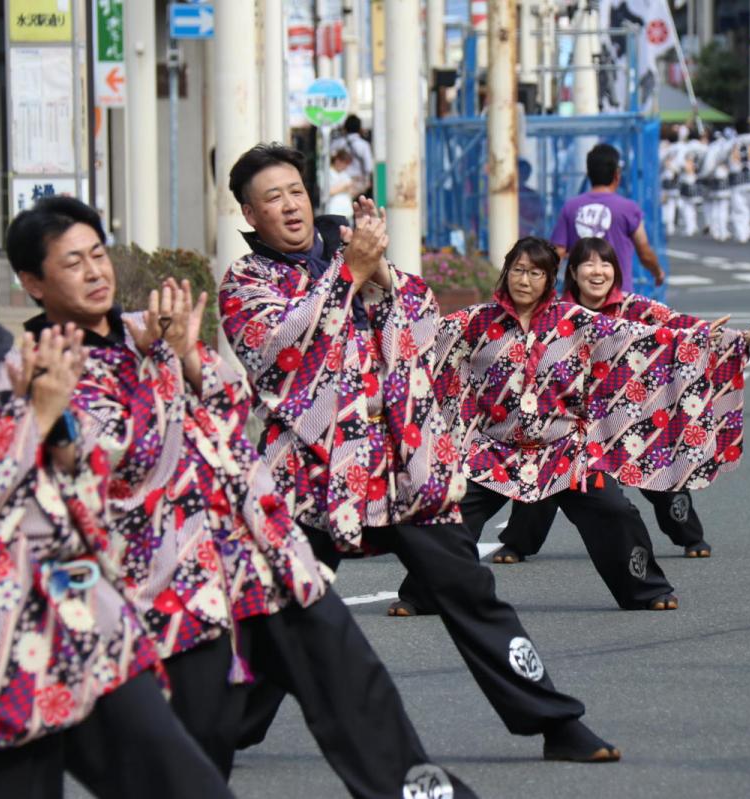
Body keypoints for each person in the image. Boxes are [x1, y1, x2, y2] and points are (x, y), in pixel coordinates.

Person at [6, 196, 476, 798]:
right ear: (33, 282)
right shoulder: (39, 369)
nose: (95, 272)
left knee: (358, 691)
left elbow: (232, 406)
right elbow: (110, 461)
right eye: (73, 263)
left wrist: (186, 354)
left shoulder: (146, 328)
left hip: (261, 553)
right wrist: (145, 376)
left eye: (97, 254)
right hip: (172, 584)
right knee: (198, 743)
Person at [220, 143, 622, 764]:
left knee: (472, 594)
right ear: (250, 215)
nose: (291, 205)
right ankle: (217, 733)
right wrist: (348, 276)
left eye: (296, 190)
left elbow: (424, 323)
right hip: (310, 477)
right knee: (281, 607)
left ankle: (555, 722)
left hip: (403, 467)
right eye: (273, 198)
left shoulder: (346, 250)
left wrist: (378, 272)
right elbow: (278, 352)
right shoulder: (246, 281)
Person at [0, 199, 234, 799]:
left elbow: (84, 487)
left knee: (184, 783)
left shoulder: (14, 363)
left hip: (83, 620)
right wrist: (35, 421)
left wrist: (60, 435)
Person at [398, 235, 750, 610]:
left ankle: (648, 590)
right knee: (448, 512)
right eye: (518, 270)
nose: (524, 280)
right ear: (505, 273)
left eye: (535, 273)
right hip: (493, 451)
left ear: (549, 279)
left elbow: (641, 340)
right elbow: (421, 342)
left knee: (615, 512)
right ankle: (422, 595)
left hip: (565, 453)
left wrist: (716, 343)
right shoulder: (475, 322)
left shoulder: (575, 322)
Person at [493, 238, 750, 564]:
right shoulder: (555, 312)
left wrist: (735, 339)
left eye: (606, 264)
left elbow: (684, 328)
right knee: (542, 474)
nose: (598, 272)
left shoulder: (636, 308)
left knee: (661, 476)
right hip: (571, 419)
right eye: (588, 264)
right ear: (573, 272)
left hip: (632, 414)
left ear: (616, 271)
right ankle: (516, 544)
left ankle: (690, 536)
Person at [550, 143, 665, 291]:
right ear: (617, 174)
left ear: (589, 173)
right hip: (618, 293)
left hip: (580, 293)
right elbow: (644, 253)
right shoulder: (628, 208)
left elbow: (557, 252)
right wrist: (657, 272)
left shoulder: (570, 207)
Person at [332, 115, 374, 197]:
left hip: (338, 182)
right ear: (359, 128)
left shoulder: (337, 143)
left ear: (345, 128)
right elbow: (368, 168)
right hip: (358, 184)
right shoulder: (364, 145)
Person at [326, 148, 357, 217]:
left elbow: (351, 191)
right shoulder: (328, 173)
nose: (346, 167)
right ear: (338, 161)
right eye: (345, 163)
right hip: (333, 212)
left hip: (347, 212)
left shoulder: (345, 174)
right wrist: (344, 186)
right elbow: (329, 191)